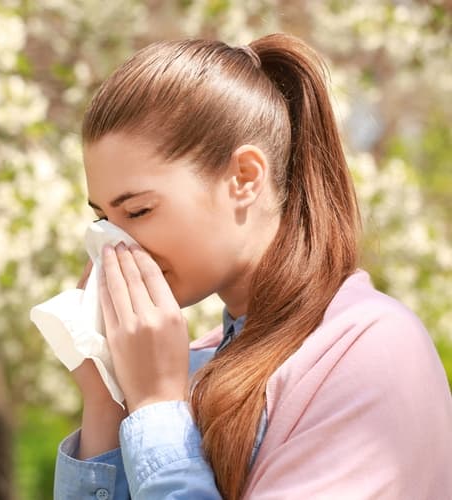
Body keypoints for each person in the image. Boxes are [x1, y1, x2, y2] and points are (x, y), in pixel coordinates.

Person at [52, 33, 452, 500]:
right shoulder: (195, 365)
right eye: (103, 218)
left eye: (138, 211)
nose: (112, 244)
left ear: (244, 179)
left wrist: (157, 407)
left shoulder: (367, 350)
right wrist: (108, 401)